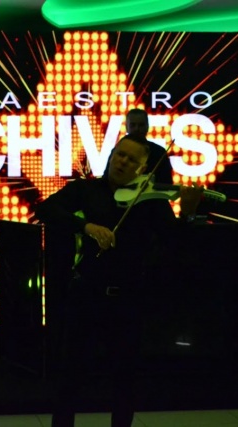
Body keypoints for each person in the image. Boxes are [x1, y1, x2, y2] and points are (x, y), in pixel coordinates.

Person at [35, 134, 204, 427]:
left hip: (128, 299)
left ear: (143, 168)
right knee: (69, 377)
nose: (123, 162)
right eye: (120, 155)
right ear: (111, 155)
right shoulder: (86, 189)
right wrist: (86, 226)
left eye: (132, 159)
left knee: (125, 380)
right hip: (85, 294)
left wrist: (187, 216)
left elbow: (175, 245)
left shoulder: (151, 201)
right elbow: (45, 210)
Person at [125, 108, 174, 185]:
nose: (137, 129)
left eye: (141, 125)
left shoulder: (159, 153)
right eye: (132, 125)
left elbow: (167, 184)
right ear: (126, 127)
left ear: (147, 126)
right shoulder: (118, 151)